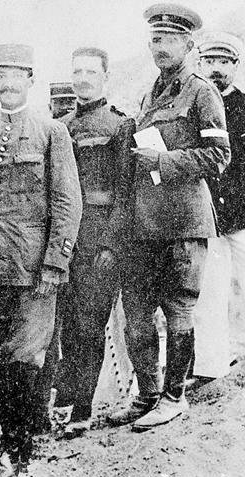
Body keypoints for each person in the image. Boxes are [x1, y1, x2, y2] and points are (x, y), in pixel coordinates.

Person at [0, 44, 82, 477]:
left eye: (15, 75)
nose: (7, 84)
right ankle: (9, 443)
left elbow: (67, 202)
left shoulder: (51, 132)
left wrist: (55, 264)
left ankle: (19, 452)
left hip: (30, 269)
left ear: (30, 79)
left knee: (26, 360)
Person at [108, 3, 230, 431]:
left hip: (183, 224)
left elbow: (219, 156)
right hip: (145, 225)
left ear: (189, 45)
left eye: (169, 40)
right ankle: (146, 395)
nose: (160, 47)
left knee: (178, 310)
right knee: (138, 314)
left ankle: (174, 396)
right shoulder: (149, 93)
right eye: (155, 40)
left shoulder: (201, 93)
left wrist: (166, 159)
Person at [52, 47, 134, 439]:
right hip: (64, 240)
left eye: (90, 71)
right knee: (65, 326)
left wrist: (111, 246)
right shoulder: (59, 125)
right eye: (77, 70)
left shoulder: (120, 126)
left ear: (104, 76)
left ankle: (80, 408)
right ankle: (65, 400)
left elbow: (125, 193)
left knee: (88, 325)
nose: (82, 78)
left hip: (99, 241)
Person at [193, 31, 245, 379]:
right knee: (209, 292)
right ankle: (212, 365)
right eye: (210, 62)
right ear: (199, 64)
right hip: (208, 216)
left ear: (236, 67)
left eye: (223, 62)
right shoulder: (195, 104)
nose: (216, 69)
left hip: (243, 215)